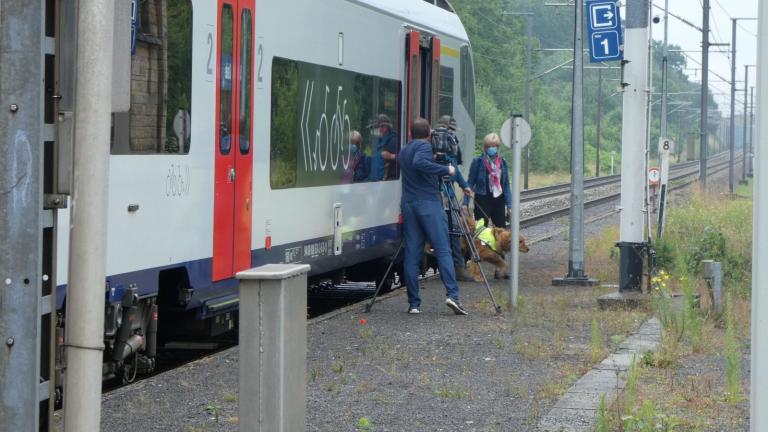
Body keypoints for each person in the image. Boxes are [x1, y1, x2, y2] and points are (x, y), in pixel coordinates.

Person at [399, 117, 468, 315]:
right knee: (443, 249)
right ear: (428, 132)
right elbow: (420, 162)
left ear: (411, 132)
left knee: (412, 254)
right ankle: (453, 295)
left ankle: (413, 304)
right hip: (428, 204)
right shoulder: (423, 148)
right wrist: (446, 169)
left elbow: (414, 165)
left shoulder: (404, 150)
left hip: (409, 205)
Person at [434, 116, 474, 282]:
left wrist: (464, 186)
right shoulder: (432, 147)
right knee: (442, 231)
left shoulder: (449, 145)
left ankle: (458, 267)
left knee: (455, 230)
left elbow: (454, 170)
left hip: (448, 194)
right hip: (435, 195)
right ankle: (451, 267)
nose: (448, 135)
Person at [465, 133, 512, 228]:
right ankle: (481, 243)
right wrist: (465, 204)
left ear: (497, 147)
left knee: (500, 231)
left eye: (494, 146)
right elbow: (469, 183)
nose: (491, 148)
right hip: (482, 199)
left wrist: (509, 206)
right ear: (485, 147)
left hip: (499, 200)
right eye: (489, 146)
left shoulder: (503, 162)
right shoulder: (477, 162)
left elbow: (506, 186)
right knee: (481, 230)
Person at [368, 114, 398, 181]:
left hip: (387, 182)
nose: (372, 131)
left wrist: (391, 156)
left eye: (374, 128)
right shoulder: (380, 141)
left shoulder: (393, 141)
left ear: (384, 127)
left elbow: (401, 158)